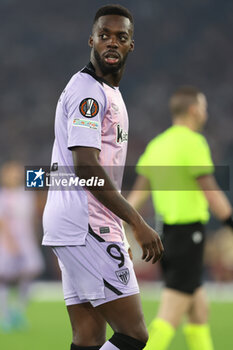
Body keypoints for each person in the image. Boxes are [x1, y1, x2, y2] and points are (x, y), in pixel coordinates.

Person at [42, 5, 163, 350]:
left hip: (80, 223)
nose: (112, 42)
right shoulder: (88, 92)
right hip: (86, 224)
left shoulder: (108, 93)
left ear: (130, 46)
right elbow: (86, 167)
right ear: (91, 40)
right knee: (134, 334)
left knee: (89, 336)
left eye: (120, 37)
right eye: (105, 36)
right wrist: (136, 222)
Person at [126, 86, 233, 350]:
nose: (205, 112)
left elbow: (138, 195)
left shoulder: (157, 145)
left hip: (165, 236)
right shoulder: (193, 142)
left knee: (199, 311)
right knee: (170, 314)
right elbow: (210, 190)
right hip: (189, 236)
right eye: (204, 107)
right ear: (194, 110)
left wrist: (117, 220)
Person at [0, 161, 44, 331]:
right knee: (3, 277)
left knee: (32, 270)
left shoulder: (27, 194)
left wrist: (35, 237)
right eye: (11, 173)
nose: (14, 176)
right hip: (6, 241)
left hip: (26, 240)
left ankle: (18, 309)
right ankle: (5, 316)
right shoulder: (3, 195)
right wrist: (10, 242)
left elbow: (32, 218)